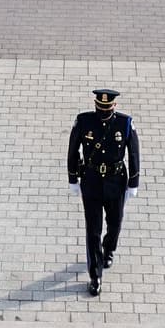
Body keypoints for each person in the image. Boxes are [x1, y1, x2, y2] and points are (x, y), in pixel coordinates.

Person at [67, 87, 140, 297]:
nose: (103, 111)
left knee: (115, 223)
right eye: (100, 108)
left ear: (114, 106)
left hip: (116, 181)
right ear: (95, 106)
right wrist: (73, 178)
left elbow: (134, 153)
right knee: (93, 230)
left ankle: (109, 249)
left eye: (107, 108)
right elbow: (73, 151)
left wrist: (133, 183)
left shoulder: (124, 124)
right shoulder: (83, 122)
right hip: (90, 181)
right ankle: (95, 275)